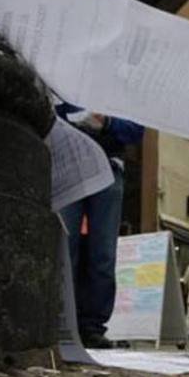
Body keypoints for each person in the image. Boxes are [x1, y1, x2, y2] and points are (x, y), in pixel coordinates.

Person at [58, 105, 144, 349]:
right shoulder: (68, 81)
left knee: (103, 252)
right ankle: (63, 320)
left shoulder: (121, 90)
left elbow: (136, 131)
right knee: (65, 247)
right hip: (70, 164)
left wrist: (106, 122)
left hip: (108, 168)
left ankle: (93, 326)